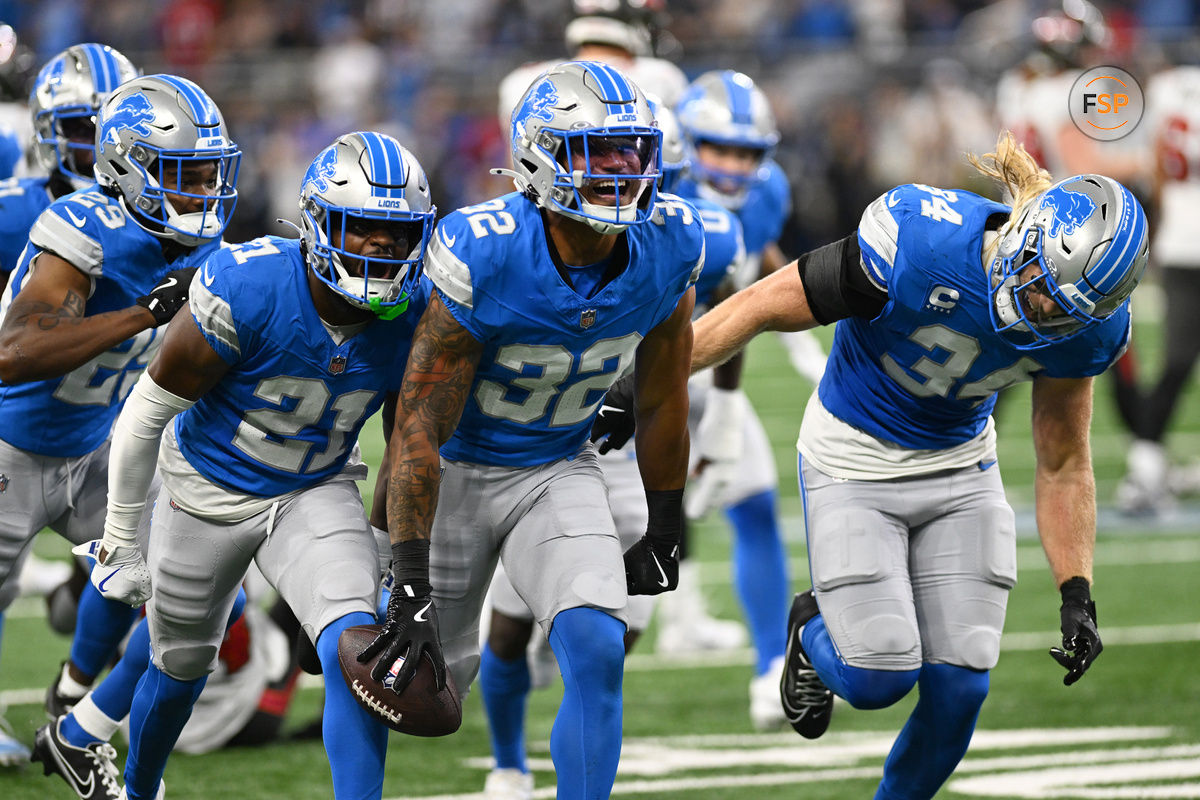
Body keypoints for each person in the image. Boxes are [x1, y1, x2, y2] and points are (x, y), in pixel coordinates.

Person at [683, 132, 1146, 800]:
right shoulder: (917, 242)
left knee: (961, 685)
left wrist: (1077, 591)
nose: (1047, 313)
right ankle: (811, 632)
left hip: (959, 465)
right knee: (878, 677)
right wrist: (644, 384)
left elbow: (1064, 462)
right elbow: (758, 306)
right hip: (854, 454)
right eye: (1047, 289)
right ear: (1026, 238)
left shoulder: (1088, 331)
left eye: (1069, 312)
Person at [362, 61, 698, 800]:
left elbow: (664, 390)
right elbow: (416, 424)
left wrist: (666, 519)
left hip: (555, 466)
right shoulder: (483, 250)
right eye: (597, 152)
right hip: (455, 472)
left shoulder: (671, 241)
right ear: (539, 158)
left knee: (597, 643)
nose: (622, 169)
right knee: (399, 681)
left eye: (631, 150)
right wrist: (407, 573)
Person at [77, 129, 434, 800]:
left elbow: (412, 446)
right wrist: (123, 540)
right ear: (320, 224)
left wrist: (391, 562)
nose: (383, 247)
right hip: (206, 489)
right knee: (179, 669)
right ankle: (140, 786)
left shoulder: (418, 310)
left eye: (398, 233)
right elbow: (145, 413)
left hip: (314, 488)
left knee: (354, 652)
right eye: (363, 228)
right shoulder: (249, 283)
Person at [475, 99, 744, 800]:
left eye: (641, 165)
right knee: (504, 631)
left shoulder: (685, 236)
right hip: (550, 450)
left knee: (606, 645)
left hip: (631, 467)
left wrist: (718, 428)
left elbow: (732, 310)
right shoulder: (526, 244)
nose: (623, 183)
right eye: (605, 166)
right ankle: (508, 763)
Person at [0, 68, 227, 770]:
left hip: (100, 445)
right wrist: (142, 312)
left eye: (207, 173)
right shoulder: (81, 224)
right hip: (11, 444)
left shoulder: (197, 242)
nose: (201, 192)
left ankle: (75, 702)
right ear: (128, 170)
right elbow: (13, 352)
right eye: (181, 173)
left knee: (197, 577)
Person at [673, 68, 822, 729]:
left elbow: (754, 254)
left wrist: (795, 341)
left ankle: (771, 669)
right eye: (718, 149)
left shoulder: (769, 194)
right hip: (616, 376)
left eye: (747, 153)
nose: (733, 167)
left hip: (706, 366)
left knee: (754, 497)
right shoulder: (651, 190)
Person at [1115, 61, 1200, 514]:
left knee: (1177, 361)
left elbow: (1158, 167)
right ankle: (1146, 465)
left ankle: (1146, 465)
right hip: (1187, 242)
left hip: (1181, 238)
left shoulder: (1168, 86)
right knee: (1178, 361)